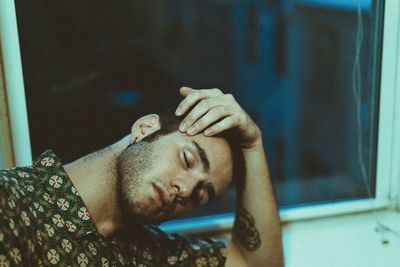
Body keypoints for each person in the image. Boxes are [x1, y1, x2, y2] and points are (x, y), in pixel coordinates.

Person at [0, 87, 283, 266]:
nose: (184, 189)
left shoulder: (150, 252)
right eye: (187, 158)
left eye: (200, 195)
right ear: (145, 128)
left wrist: (253, 144)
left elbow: (255, 264)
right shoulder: (12, 202)